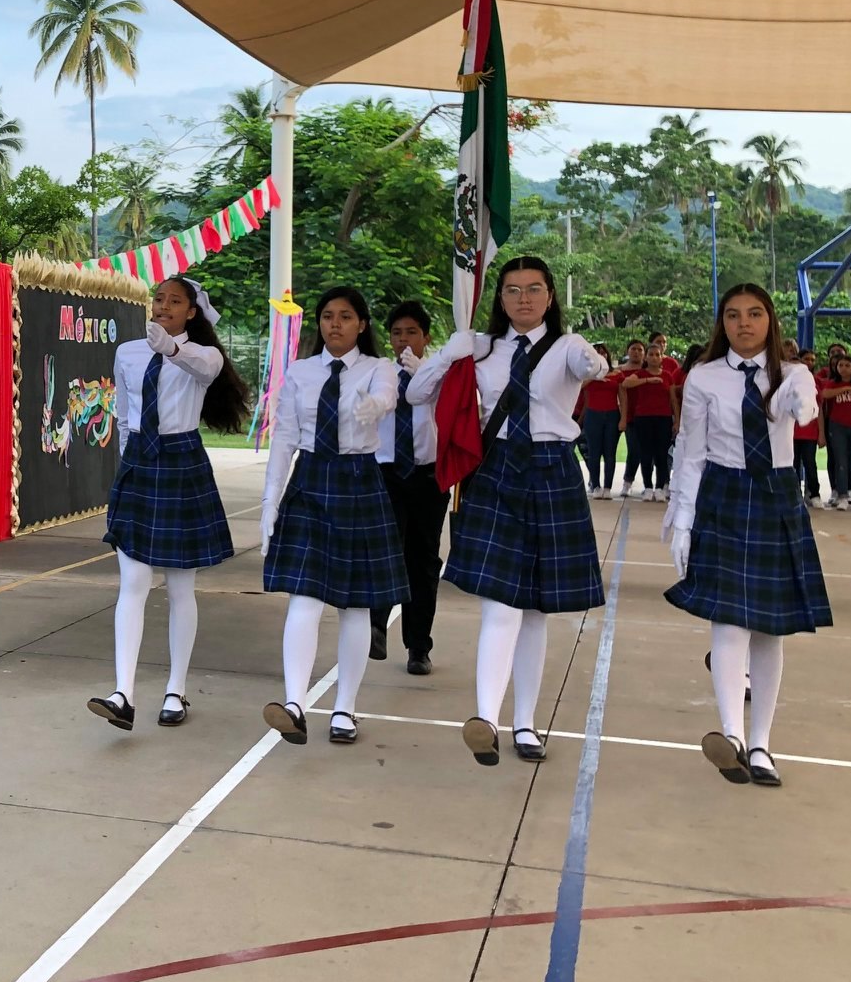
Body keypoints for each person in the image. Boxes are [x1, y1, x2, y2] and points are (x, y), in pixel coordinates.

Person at [408, 256, 608, 767]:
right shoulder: (483, 348)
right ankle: (485, 719)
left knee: (535, 611)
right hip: (496, 470)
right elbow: (416, 392)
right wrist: (449, 352)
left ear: (550, 296)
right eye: (513, 289)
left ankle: (525, 723)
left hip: (552, 469)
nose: (524, 298)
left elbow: (593, 368)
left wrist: (592, 360)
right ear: (500, 298)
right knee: (500, 605)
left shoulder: (567, 346)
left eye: (534, 289)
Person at [664, 284, 830, 787]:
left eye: (755, 314)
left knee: (769, 629)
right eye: (733, 315)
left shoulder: (793, 373)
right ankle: (733, 737)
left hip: (776, 494)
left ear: (770, 321)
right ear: (723, 323)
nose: (744, 323)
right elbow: (691, 450)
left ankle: (761, 745)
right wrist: (682, 518)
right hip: (724, 493)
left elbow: (805, 409)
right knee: (729, 622)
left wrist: (802, 400)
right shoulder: (704, 376)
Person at [89, 277, 250, 731]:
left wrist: (173, 349)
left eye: (175, 301)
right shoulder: (128, 352)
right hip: (139, 462)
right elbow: (124, 413)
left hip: (182, 461)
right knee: (133, 581)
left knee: (181, 588)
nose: (163, 306)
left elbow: (205, 369)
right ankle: (123, 693)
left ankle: (175, 690)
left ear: (191, 312)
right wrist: (128, 462)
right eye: (159, 298)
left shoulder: (205, 354)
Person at [258, 287, 410, 746]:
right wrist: (270, 502)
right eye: (327, 316)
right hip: (309, 480)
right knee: (303, 598)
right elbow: (285, 438)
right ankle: (294, 705)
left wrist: (377, 405)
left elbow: (388, 395)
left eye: (345, 316)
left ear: (362, 324)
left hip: (359, 480)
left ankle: (345, 707)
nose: (335, 324)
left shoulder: (378, 368)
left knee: (355, 605)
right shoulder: (301, 372)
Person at [375, 302, 445, 676]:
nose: (404, 340)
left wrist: (426, 379)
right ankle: (376, 625)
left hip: (428, 476)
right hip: (387, 473)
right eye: (397, 333)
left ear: (426, 337)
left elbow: (455, 413)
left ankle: (419, 646)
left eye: (412, 332)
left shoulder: (439, 374)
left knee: (423, 560)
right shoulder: (379, 373)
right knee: (386, 550)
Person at [815, 354, 851, 509]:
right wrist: (847, 388)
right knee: (840, 461)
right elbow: (824, 394)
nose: (843, 368)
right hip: (837, 427)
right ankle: (842, 495)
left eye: (847, 365)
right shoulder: (832, 383)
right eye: (840, 365)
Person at [620, 345, 675, 500]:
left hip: (663, 418)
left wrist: (676, 420)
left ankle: (660, 487)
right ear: (646, 357)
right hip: (643, 418)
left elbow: (673, 400)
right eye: (651, 354)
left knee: (661, 454)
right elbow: (625, 384)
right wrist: (647, 380)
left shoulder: (667, 376)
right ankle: (648, 487)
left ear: (662, 357)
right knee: (645, 453)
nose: (654, 357)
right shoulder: (640, 374)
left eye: (657, 355)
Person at [577, 342, 621, 500]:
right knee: (594, 452)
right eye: (597, 353)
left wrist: (623, 418)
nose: (601, 355)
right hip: (593, 414)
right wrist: (596, 376)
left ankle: (608, 487)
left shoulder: (616, 373)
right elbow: (579, 387)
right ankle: (595, 485)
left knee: (610, 452)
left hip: (612, 414)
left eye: (603, 352)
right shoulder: (586, 374)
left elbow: (622, 395)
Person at [614, 339, 647, 495]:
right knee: (631, 449)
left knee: (641, 450)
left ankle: (639, 482)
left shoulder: (648, 372)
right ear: (628, 351)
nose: (636, 352)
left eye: (640, 350)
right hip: (623, 413)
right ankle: (625, 481)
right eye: (633, 349)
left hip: (643, 414)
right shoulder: (619, 371)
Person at [791, 350, 822, 506]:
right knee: (793, 465)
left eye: (812, 360)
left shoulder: (815, 382)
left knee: (810, 464)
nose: (809, 362)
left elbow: (819, 409)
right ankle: (794, 493)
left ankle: (814, 494)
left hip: (809, 431)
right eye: (806, 359)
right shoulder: (785, 380)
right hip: (790, 432)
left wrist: (821, 433)